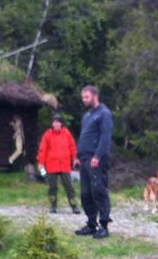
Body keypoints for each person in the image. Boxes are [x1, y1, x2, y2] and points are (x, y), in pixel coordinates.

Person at [74, 85, 113, 239]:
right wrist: (77, 155)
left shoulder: (104, 114)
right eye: (83, 97)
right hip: (83, 159)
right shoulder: (87, 115)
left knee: (99, 191)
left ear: (95, 96)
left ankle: (104, 226)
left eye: (86, 97)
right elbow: (84, 135)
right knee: (86, 193)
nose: (84, 100)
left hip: (97, 159)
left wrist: (97, 156)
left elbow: (105, 137)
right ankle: (91, 224)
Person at [36, 114, 80, 215]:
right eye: (54, 122)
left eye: (58, 122)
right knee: (52, 188)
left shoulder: (67, 133)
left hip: (65, 165)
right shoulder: (47, 134)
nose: (55, 124)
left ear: (61, 123)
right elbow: (43, 150)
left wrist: (75, 159)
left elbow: (72, 147)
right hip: (52, 165)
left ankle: (74, 206)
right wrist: (41, 163)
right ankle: (53, 206)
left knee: (69, 187)